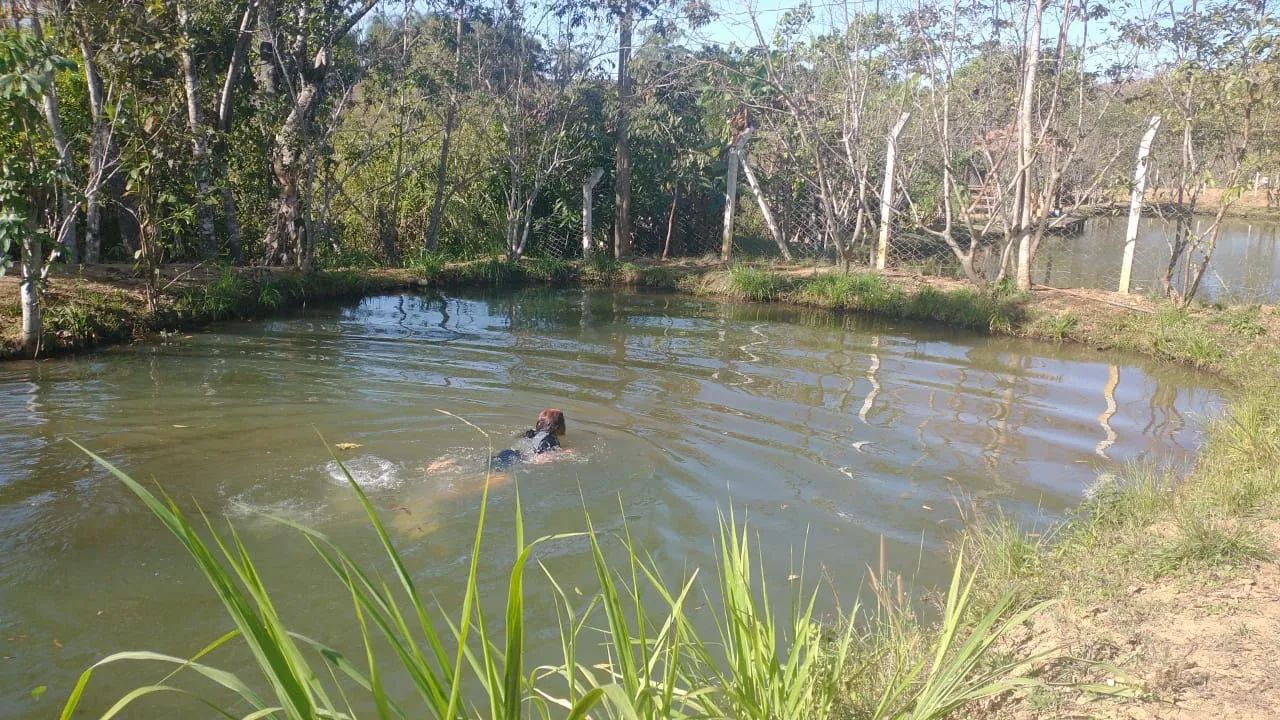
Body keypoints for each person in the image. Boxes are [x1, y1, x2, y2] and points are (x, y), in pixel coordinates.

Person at [490, 408, 567, 470]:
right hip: (518, 461)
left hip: (507, 453)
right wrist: (563, 454)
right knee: (501, 478)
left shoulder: (530, 433)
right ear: (558, 427)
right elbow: (539, 460)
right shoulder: (551, 439)